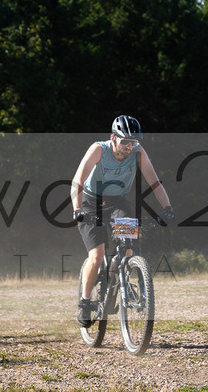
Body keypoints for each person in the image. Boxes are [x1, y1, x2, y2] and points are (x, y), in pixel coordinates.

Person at [71, 115, 173, 327]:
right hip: (90, 203)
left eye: (133, 142)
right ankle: (85, 301)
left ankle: (117, 279)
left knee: (129, 245)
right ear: (113, 138)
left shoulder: (138, 152)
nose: (129, 146)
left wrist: (167, 207)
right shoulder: (99, 149)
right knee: (97, 255)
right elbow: (78, 180)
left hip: (117, 202)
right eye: (125, 141)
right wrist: (77, 208)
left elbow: (154, 182)